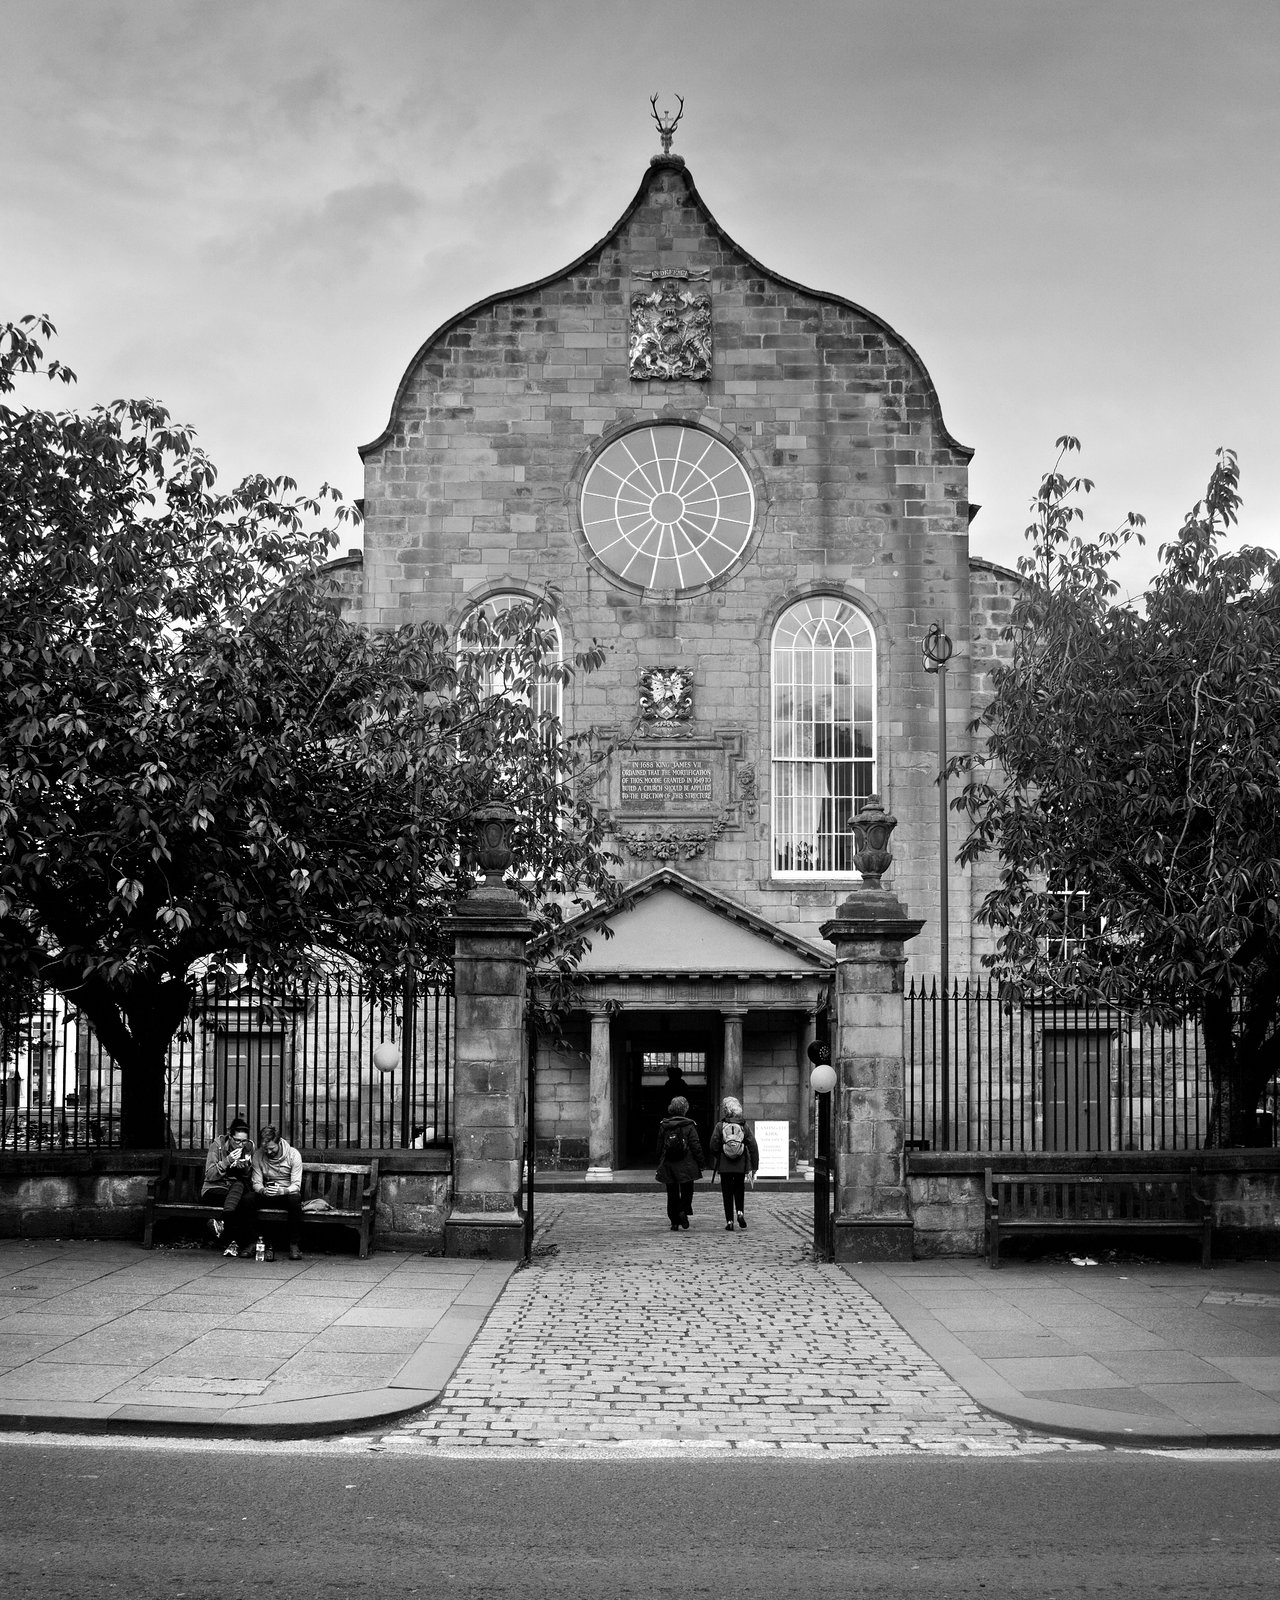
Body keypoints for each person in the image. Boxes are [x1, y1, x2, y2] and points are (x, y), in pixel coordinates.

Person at [201, 1116, 256, 1257]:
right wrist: (227, 1161)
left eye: (243, 1141)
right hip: (215, 1189)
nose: (240, 1144)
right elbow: (210, 1175)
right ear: (230, 1137)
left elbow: (250, 1176)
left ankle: (227, 1233)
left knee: (242, 1194)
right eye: (237, 1140)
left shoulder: (249, 1147)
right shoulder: (217, 1146)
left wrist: (245, 1168)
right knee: (239, 1200)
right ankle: (241, 1242)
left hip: (236, 1189)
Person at [251, 1124, 305, 1260]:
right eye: (265, 1148)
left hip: (285, 1194)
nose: (268, 1152)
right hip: (267, 1194)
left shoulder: (293, 1154)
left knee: (295, 1199)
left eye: (271, 1148)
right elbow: (256, 1182)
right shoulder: (258, 1154)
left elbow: (296, 1185)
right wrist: (263, 1190)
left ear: (279, 1142)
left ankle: (294, 1244)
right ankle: (252, 1242)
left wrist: (282, 1191)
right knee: (247, 1199)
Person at [710, 1095, 759, 1231]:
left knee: (727, 1192)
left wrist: (721, 1154)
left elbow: (713, 1145)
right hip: (740, 1164)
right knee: (739, 1189)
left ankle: (730, 1221)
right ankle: (740, 1213)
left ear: (725, 1110)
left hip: (725, 1165)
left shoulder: (720, 1126)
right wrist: (754, 1167)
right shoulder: (743, 1126)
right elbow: (753, 1146)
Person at [655, 1095, 703, 1232]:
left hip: (669, 1163)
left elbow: (659, 1146)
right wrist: (701, 1162)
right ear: (685, 1109)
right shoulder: (689, 1125)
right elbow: (695, 1145)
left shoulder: (664, 1125)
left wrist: (658, 1161)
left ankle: (674, 1222)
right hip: (687, 1163)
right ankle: (683, 1209)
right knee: (688, 1190)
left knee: (672, 1193)